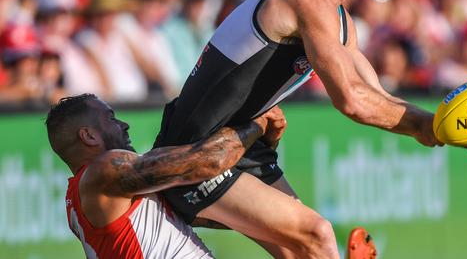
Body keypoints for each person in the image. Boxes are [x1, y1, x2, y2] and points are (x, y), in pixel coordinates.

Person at [154, 0, 467, 259]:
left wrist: (453, 128)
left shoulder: (340, 20)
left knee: (304, 249)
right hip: (196, 154)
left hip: (240, 144)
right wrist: (433, 129)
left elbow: (376, 95)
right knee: (316, 235)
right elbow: (352, 101)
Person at [45, 93, 287, 258]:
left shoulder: (103, 194)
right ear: (88, 136)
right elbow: (207, 161)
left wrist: (263, 146)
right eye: (111, 118)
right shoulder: (102, 172)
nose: (124, 124)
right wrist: (257, 125)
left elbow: (225, 214)